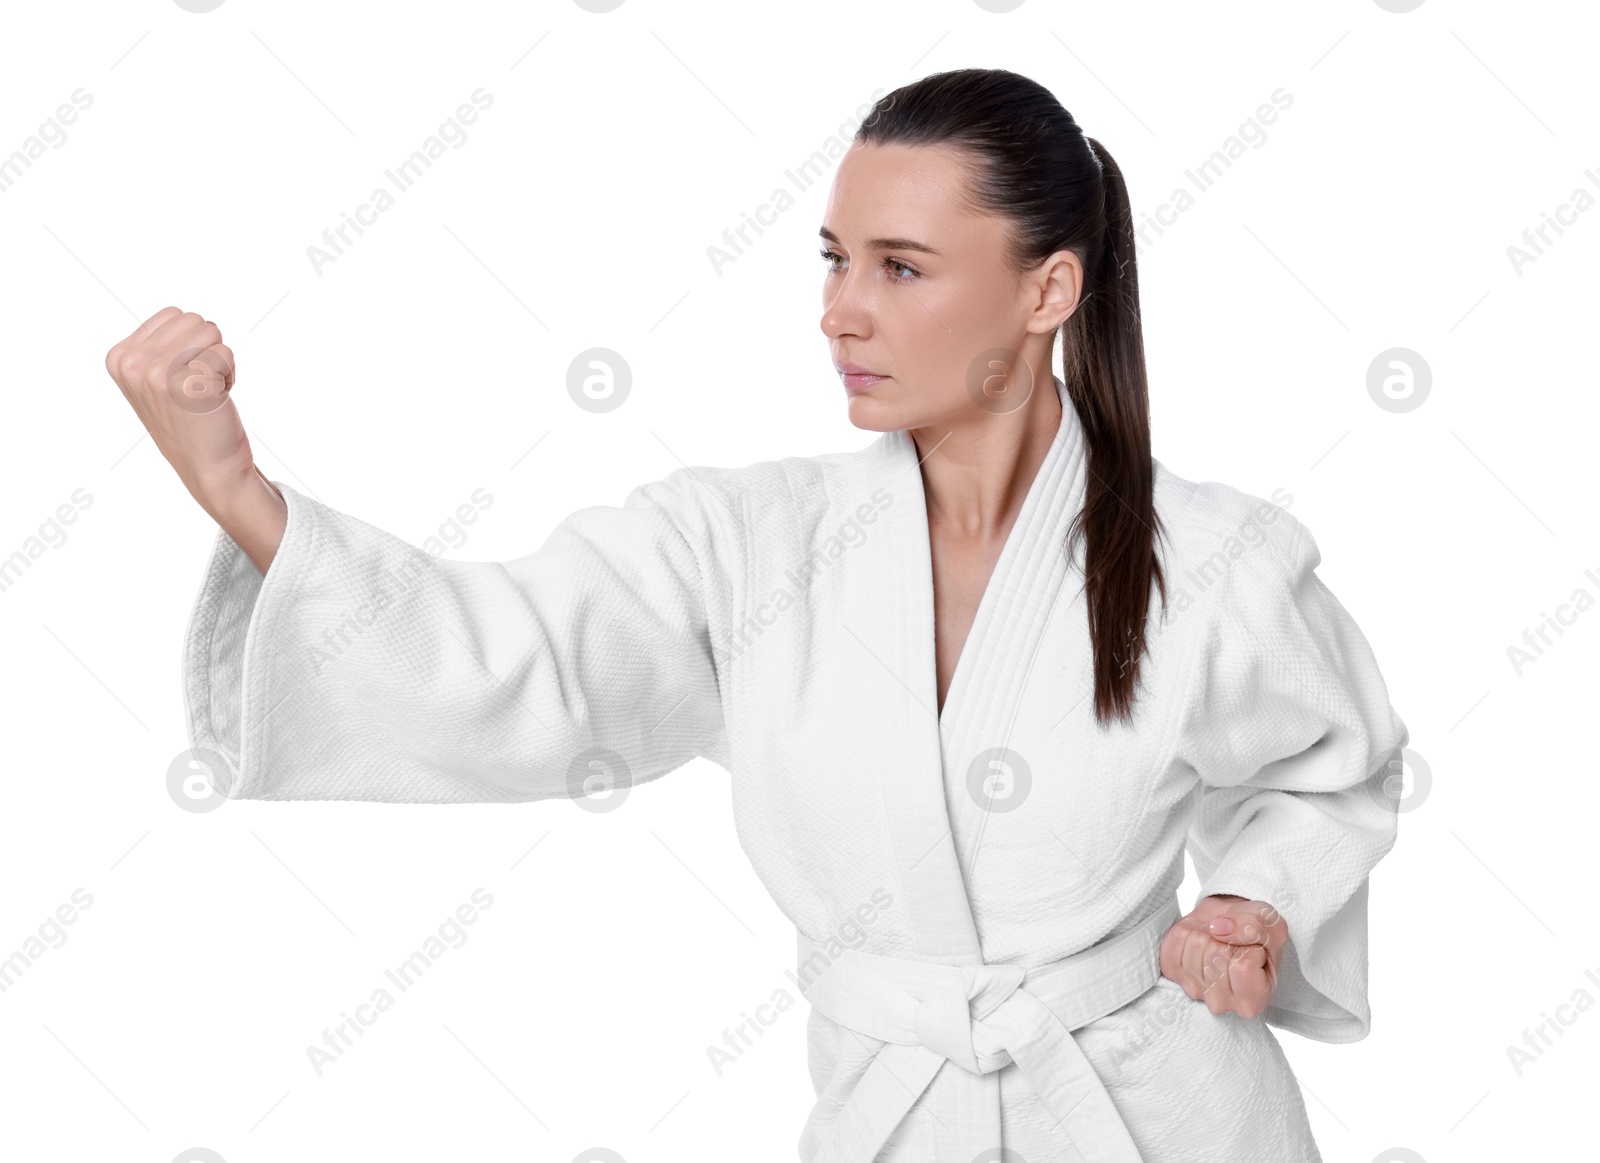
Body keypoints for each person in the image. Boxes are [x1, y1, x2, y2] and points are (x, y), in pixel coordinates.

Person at [106, 67, 1407, 1163]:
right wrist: (238, 493)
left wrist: (1251, 900)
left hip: (1159, 1123)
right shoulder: (744, 550)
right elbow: (509, 661)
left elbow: (1329, 770)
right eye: (837, 260)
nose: (840, 309)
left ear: (1048, 292)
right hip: (890, 1120)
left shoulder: (1214, 563)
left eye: (901, 268)